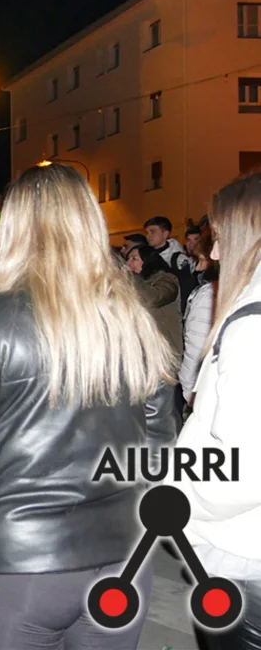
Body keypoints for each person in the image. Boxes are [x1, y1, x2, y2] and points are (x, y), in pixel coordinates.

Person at [0, 162, 179, 649]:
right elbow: (159, 445)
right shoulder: (131, 320)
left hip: (18, 564)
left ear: (14, 228)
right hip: (123, 559)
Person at [172, 172, 261, 650]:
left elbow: (246, 469)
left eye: (224, 237)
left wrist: (184, 498)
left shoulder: (252, 328)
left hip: (245, 549)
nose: (217, 252)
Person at [126, 244, 184, 382]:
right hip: (141, 354)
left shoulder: (167, 279)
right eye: (127, 259)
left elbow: (151, 298)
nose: (128, 263)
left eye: (134, 258)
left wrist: (130, 276)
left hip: (164, 354)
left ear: (148, 260)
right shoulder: (133, 283)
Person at [179, 235, 218, 405]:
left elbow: (196, 345)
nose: (198, 267)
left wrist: (189, 391)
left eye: (202, 260)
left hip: (203, 389)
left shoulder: (207, 294)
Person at [144, 215, 197, 312]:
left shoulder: (178, 259)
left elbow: (185, 288)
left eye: (152, 232)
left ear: (165, 234)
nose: (148, 236)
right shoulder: (145, 256)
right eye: (147, 232)